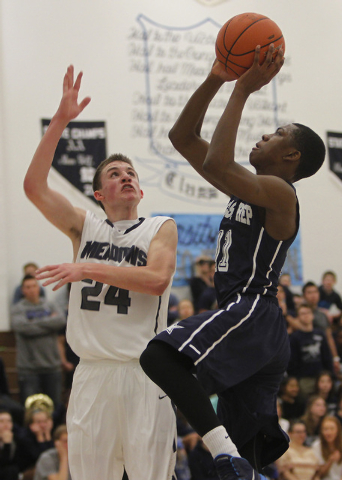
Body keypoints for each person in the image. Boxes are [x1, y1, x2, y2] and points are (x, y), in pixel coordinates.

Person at [140, 44, 326, 480]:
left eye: (276, 134)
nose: (263, 136)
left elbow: (217, 160)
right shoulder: (247, 187)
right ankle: (231, 458)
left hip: (254, 313)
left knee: (159, 359)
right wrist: (216, 80)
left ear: (291, 156)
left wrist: (242, 91)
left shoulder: (280, 193)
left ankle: (227, 455)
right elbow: (182, 139)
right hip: (249, 324)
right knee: (239, 447)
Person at [24, 65, 178, 480]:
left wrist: (87, 267)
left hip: (144, 373)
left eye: (131, 174)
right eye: (115, 174)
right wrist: (59, 121)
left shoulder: (159, 227)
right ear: (98, 194)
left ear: (140, 192)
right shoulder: (85, 225)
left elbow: (157, 280)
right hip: (92, 373)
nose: (125, 177)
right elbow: (34, 187)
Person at [10, 275, 66, 407]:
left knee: (56, 406)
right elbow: (21, 327)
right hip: (29, 369)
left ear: (39, 288)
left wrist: (32, 323)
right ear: (23, 290)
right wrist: (48, 324)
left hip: (52, 365)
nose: (31, 290)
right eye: (27, 287)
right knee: (31, 408)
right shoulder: (17, 308)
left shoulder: (50, 305)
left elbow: (60, 321)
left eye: (34, 286)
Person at [287, 303, 333, 399]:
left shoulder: (320, 333)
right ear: (298, 317)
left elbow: (327, 356)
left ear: (312, 315)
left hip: (321, 377)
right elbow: (292, 361)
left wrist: (330, 374)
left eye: (308, 312)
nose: (306, 315)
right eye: (303, 313)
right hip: (304, 378)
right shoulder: (295, 337)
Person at [302, 281, 341, 374]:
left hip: (324, 355)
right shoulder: (298, 313)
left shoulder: (323, 315)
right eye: (309, 292)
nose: (313, 295)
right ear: (304, 295)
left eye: (315, 292)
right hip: (306, 358)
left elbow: (329, 337)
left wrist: (335, 358)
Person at [311, 416, 342, 480]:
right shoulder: (317, 446)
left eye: (332, 429)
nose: (328, 432)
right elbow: (318, 474)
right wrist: (330, 461)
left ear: (338, 430)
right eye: (325, 429)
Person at [0, 409, 20, 480]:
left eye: (9, 421)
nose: (6, 424)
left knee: (12, 470)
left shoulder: (17, 439)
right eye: (1, 421)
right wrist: (7, 445)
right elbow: (3, 464)